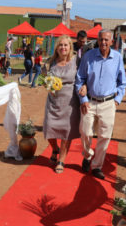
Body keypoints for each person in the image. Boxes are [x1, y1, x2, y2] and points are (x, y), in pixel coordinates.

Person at [75, 29, 126, 180]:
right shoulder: (88, 56)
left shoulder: (117, 58)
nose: (103, 43)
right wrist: (83, 100)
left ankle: (97, 166)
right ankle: (87, 156)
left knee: (105, 136)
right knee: (85, 132)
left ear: (112, 42)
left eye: (106, 40)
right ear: (97, 40)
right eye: (101, 39)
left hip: (108, 103)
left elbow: (122, 83)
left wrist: (117, 100)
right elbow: (80, 79)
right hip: (89, 101)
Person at [43, 35, 80, 174]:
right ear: (57, 48)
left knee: (66, 131)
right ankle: (55, 148)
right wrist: (47, 85)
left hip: (70, 101)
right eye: (60, 45)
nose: (63, 47)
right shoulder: (51, 62)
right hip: (53, 100)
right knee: (49, 128)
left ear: (70, 47)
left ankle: (61, 160)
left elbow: (82, 78)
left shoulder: (76, 61)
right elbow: (44, 77)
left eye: (66, 45)